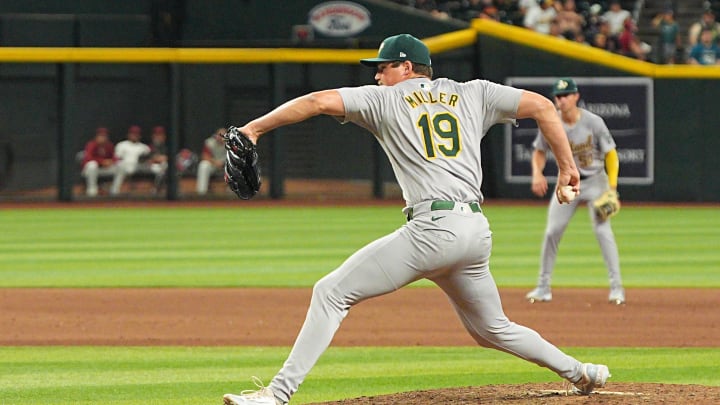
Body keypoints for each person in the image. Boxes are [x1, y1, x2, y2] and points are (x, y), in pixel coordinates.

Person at [221, 34, 610, 405]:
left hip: (433, 230)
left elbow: (317, 101)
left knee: (331, 292)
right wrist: (566, 168)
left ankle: (277, 393)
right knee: (493, 329)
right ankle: (582, 372)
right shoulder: (474, 91)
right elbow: (544, 106)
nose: (376, 75)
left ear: (406, 67)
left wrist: (254, 129)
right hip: (474, 230)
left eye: (383, 67)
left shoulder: (384, 99)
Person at [525, 77, 625, 306]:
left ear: (576, 96)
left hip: (595, 181)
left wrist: (612, 187)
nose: (560, 99)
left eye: (565, 95)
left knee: (603, 232)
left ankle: (617, 288)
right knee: (552, 231)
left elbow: (611, 154)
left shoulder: (593, 122)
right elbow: (539, 151)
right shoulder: (551, 122)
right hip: (568, 183)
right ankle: (543, 287)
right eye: (557, 96)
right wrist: (537, 173)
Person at [110, 125, 151, 195]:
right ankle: (115, 190)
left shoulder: (144, 147)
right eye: (133, 134)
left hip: (139, 166)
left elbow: (148, 159)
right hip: (124, 166)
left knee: (158, 168)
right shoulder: (122, 145)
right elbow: (116, 158)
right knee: (121, 166)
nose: (134, 136)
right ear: (128, 135)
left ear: (139, 136)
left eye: (136, 134)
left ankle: (156, 190)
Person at [80, 127, 117, 197]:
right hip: (89, 171)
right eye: (101, 136)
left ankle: (115, 189)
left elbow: (115, 157)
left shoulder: (109, 145)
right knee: (92, 165)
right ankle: (92, 189)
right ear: (97, 136)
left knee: (120, 166)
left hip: (103, 170)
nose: (103, 138)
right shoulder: (91, 145)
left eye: (104, 136)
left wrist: (111, 161)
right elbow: (88, 158)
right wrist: (102, 161)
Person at [196, 127, 227, 195]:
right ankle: (201, 193)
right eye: (220, 135)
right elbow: (204, 156)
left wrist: (223, 163)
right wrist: (215, 162)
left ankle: (234, 194)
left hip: (226, 165)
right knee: (203, 165)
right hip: (213, 164)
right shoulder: (209, 142)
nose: (221, 137)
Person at [147, 125, 169, 193]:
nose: (158, 137)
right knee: (161, 169)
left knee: (164, 167)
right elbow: (150, 159)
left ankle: (157, 188)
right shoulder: (149, 146)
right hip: (151, 166)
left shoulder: (166, 147)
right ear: (153, 136)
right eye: (157, 135)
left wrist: (160, 158)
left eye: (160, 135)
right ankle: (157, 188)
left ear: (164, 136)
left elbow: (169, 158)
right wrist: (158, 159)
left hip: (162, 166)